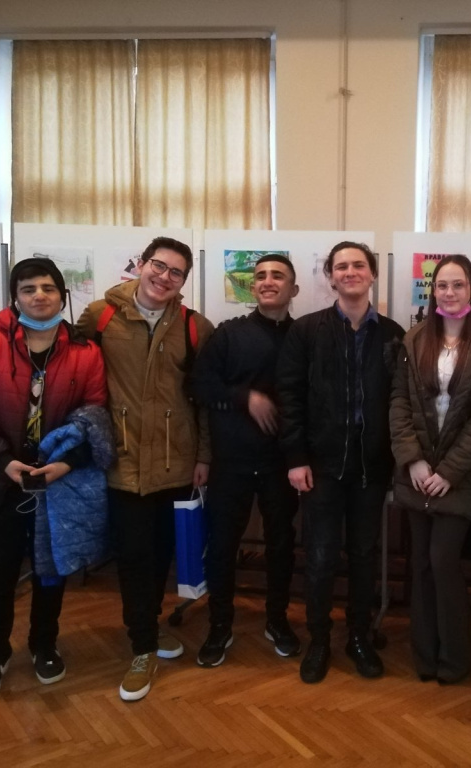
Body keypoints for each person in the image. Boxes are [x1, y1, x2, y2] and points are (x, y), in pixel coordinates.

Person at [0, 257, 107, 700]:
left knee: (50, 570)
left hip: (55, 480)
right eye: (28, 289)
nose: (39, 295)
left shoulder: (86, 352)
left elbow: (94, 416)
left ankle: (44, 645)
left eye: (48, 287)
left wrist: (66, 463)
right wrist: (5, 462)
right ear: (15, 298)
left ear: (62, 296)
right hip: (1, 479)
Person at [77, 236, 214, 701]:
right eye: (159, 265)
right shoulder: (101, 316)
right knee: (133, 555)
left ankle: (149, 627)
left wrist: (204, 456)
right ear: (141, 264)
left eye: (176, 272)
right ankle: (141, 647)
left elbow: (204, 401)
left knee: (159, 555)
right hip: (124, 459)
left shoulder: (195, 327)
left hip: (176, 463)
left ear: (183, 281)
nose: (164, 277)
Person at [278, 241, 404, 684]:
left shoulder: (393, 334)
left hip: (372, 467)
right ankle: (319, 639)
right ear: (330, 276)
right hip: (321, 467)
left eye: (359, 265)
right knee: (320, 557)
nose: (350, 272)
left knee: (365, 556)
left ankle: (359, 637)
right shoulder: (306, 331)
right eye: (342, 266)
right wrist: (296, 457)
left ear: (372, 274)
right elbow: (290, 397)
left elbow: (401, 401)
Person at [389, 255, 471, 684]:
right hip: (418, 472)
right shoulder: (415, 338)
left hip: (460, 474)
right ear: (433, 291)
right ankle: (425, 655)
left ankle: (456, 657)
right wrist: (414, 460)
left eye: (458, 285)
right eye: (442, 285)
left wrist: (449, 471)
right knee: (420, 563)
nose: (450, 292)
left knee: (443, 561)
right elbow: (399, 403)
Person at [191, 253, 302, 667]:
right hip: (231, 462)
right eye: (260, 276)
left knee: (281, 545)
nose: (268, 281)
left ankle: (277, 620)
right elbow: (199, 385)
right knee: (222, 547)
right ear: (252, 287)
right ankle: (220, 625)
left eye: (278, 276)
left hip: (282, 464)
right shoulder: (228, 334)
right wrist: (245, 397)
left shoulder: (305, 336)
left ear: (294, 288)